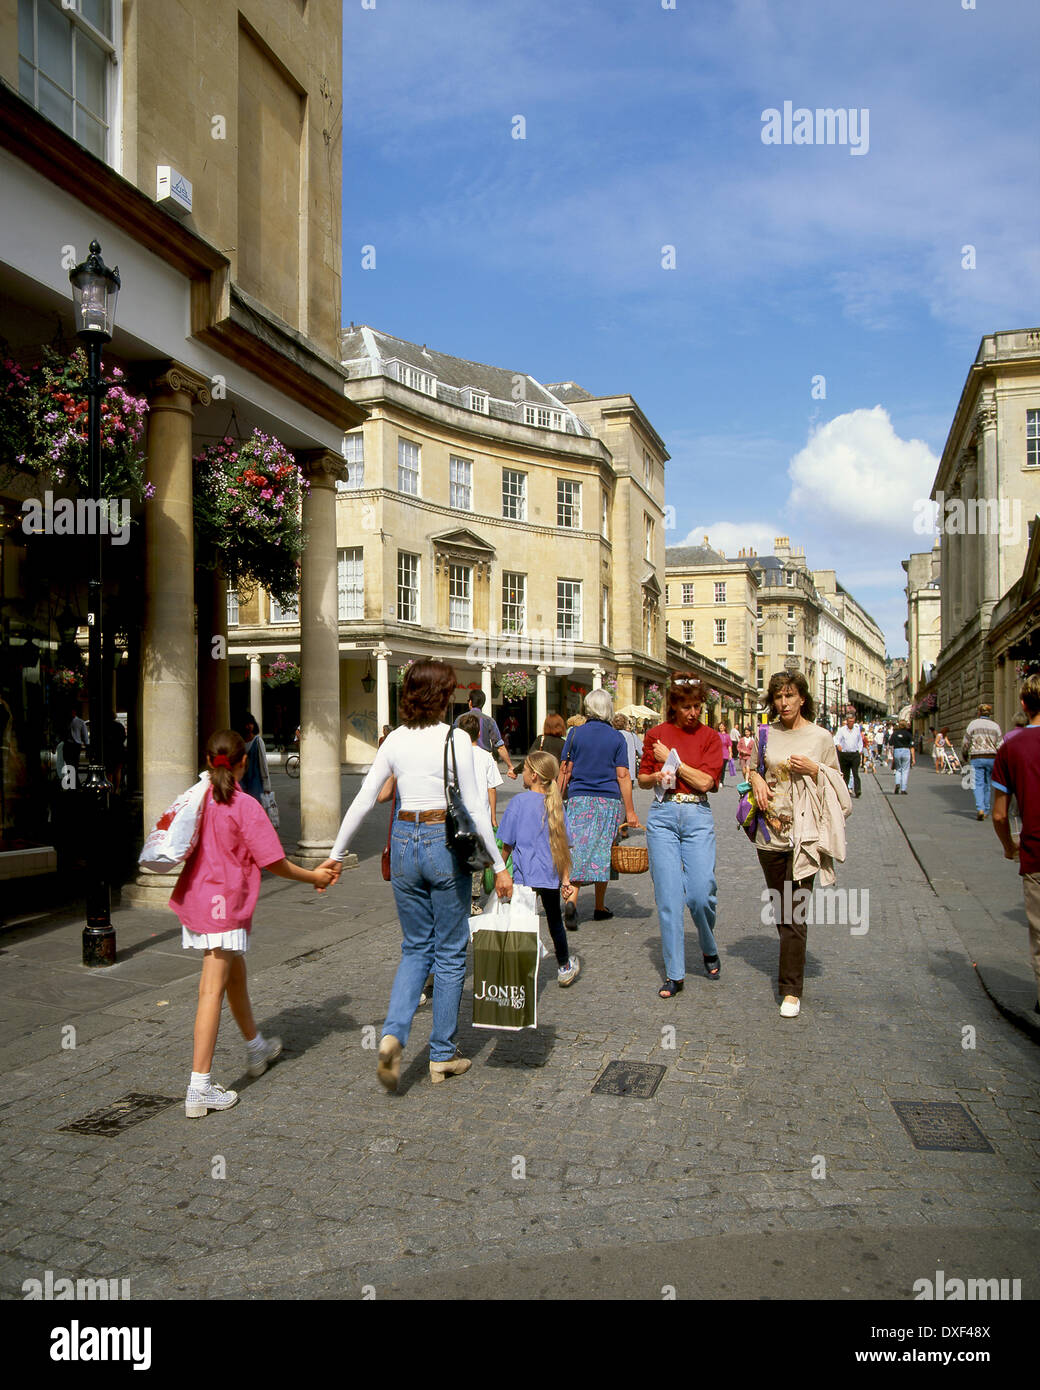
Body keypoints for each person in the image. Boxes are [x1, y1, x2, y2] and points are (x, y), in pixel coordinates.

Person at [320, 660, 511, 1090]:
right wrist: (499, 866)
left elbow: (365, 798)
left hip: (404, 837)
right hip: (443, 840)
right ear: (443, 697)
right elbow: (477, 808)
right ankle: (442, 1054)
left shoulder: (394, 741)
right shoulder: (456, 738)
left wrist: (335, 853)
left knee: (414, 948)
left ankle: (393, 1034)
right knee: (450, 950)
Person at [172, 729, 334, 1117]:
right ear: (243, 762)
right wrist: (315, 876)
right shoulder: (244, 805)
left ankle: (256, 1045)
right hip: (225, 903)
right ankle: (199, 1086)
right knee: (211, 989)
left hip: (199, 897)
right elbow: (273, 862)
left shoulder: (197, 798)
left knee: (233, 975)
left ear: (208, 761)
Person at [747, 671, 850, 1019]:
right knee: (782, 909)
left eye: (789, 696)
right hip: (769, 834)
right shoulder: (765, 733)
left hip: (805, 835)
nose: (783, 703)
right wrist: (757, 779)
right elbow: (751, 770)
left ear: (802, 698)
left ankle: (791, 989)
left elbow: (838, 784)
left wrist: (816, 768)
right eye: (777, 697)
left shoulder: (821, 737)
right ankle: (792, 952)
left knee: (794, 912)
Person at [638, 675, 724, 997]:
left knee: (702, 893)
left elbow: (705, 782)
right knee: (669, 897)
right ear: (674, 705)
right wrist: (656, 774)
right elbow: (643, 778)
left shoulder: (710, 737)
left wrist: (672, 758)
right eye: (686, 706)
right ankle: (675, 973)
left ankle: (707, 942)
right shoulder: (655, 735)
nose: (693, 712)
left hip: (697, 815)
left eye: (697, 706)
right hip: (662, 816)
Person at [498, 750, 580, 987]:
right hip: (550, 875)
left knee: (522, 921)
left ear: (533, 775)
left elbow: (507, 844)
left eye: (524, 770)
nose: (522, 773)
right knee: (555, 920)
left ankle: (519, 967)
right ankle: (564, 966)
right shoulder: (556, 805)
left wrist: (500, 870)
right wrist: (566, 880)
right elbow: (563, 848)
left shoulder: (519, 802)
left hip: (524, 875)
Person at [558, 690, 640, 925]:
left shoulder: (575, 734)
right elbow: (623, 775)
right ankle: (599, 905)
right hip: (608, 801)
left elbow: (565, 769)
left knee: (577, 848)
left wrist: (554, 798)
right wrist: (631, 811)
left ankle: (571, 901)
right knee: (604, 850)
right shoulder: (616, 738)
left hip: (579, 798)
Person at [992, 675, 1040, 1018]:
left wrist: (1009, 846)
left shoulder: (1011, 746)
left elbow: (998, 814)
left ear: (1023, 705)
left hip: (1035, 851)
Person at [458, 711, 503, 915]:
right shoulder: (486, 757)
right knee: (477, 857)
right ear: (478, 734)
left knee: (459, 855)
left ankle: (458, 895)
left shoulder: (455, 755)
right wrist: (493, 815)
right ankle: (473, 900)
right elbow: (492, 788)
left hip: (459, 815)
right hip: (480, 814)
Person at [452, 690, 517, 781]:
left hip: (463, 758)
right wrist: (510, 766)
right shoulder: (489, 721)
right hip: (484, 760)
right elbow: (500, 746)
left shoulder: (460, 719)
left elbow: (453, 739)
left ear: (470, 702)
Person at [962, 703, 1003, 821]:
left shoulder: (973, 725)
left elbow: (966, 742)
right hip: (991, 757)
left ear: (979, 713)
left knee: (977, 783)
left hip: (977, 757)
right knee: (987, 783)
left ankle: (980, 808)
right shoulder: (995, 726)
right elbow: (1000, 744)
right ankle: (986, 810)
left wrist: (965, 754)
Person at [240, 713, 272, 809]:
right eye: (246, 724)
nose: (249, 727)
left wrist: (267, 785)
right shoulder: (239, 741)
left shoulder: (258, 741)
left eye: (251, 724)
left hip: (256, 784)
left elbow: (263, 764)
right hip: (242, 783)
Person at [834, 712, 864, 797]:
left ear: (854, 721)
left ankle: (857, 790)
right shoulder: (842, 730)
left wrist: (860, 750)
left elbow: (860, 741)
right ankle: (844, 791)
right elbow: (836, 739)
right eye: (849, 721)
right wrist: (838, 745)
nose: (851, 722)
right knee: (845, 774)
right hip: (844, 754)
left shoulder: (857, 730)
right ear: (847, 721)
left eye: (852, 721)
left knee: (855, 773)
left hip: (854, 754)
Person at [890, 718, 915, 793]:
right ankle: (903, 789)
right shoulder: (908, 734)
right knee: (905, 770)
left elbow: (890, 743)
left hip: (897, 750)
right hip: (906, 750)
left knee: (898, 769)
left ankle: (897, 783)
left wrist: (892, 754)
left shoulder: (894, 734)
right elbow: (912, 746)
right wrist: (913, 758)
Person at [717, 720, 732, 786]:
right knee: (718, 768)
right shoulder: (716, 735)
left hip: (725, 754)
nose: (721, 727)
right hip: (717, 754)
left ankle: (721, 781)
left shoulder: (727, 736)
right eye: (720, 726)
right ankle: (717, 780)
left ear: (724, 727)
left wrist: (730, 753)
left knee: (722, 768)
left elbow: (729, 745)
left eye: (722, 726)